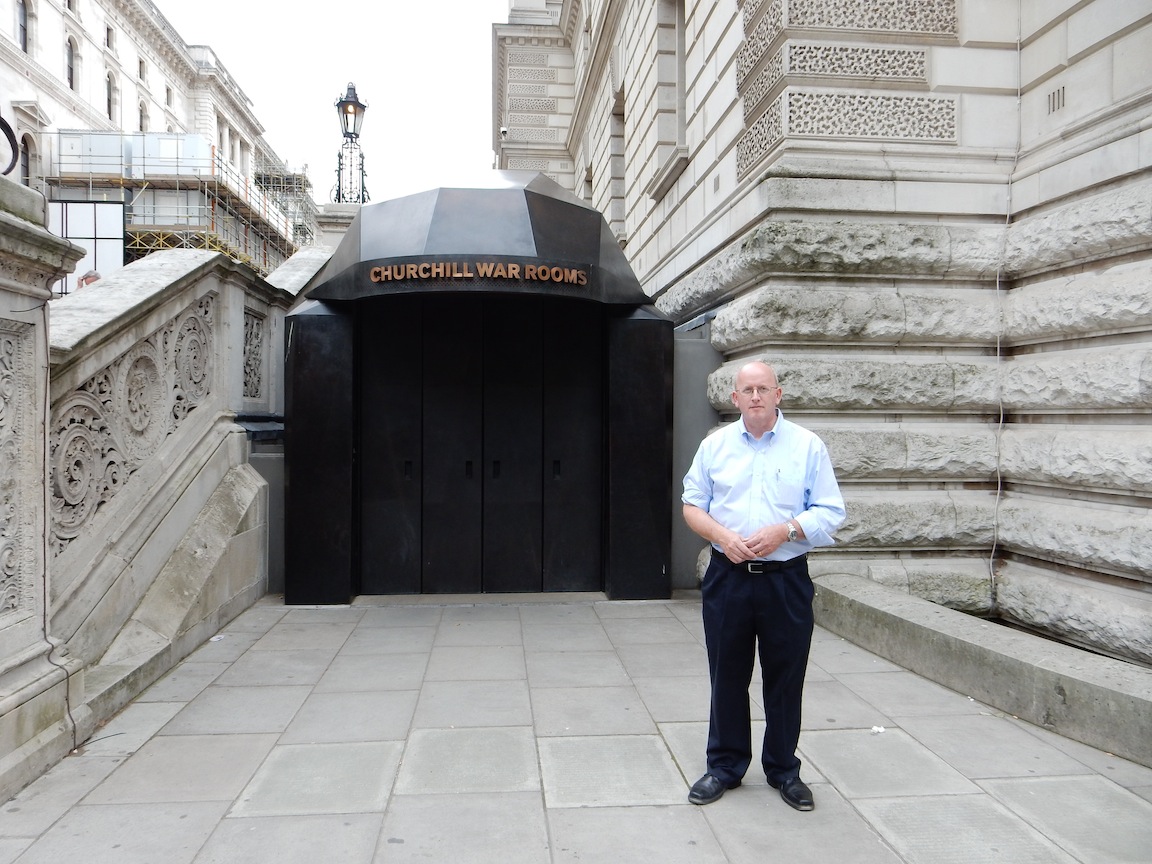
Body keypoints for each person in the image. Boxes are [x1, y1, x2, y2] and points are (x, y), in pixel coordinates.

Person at [682, 360, 845, 810]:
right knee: (727, 675)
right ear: (734, 399)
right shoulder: (714, 447)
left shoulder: (808, 447)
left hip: (785, 581)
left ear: (779, 394)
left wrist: (786, 530)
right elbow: (692, 505)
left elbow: (831, 511)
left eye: (763, 388)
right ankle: (724, 767)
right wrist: (722, 537)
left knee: (785, 678)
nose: (755, 396)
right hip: (728, 579)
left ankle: (783, 770)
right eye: (747, 390)